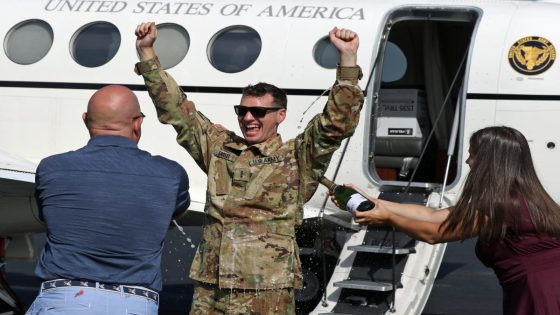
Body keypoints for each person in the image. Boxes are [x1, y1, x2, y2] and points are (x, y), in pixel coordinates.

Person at [134, 22, 364, 314]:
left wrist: (347, 61)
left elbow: (335, 125)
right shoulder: (220, 149)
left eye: (259, 112)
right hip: (211, 288)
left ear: (280, 115)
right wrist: (147, 54)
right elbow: (177, 110)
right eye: (242, 111)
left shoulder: (298, 156)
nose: (249, 118)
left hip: (266, 291)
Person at [332, 126, 560, 315]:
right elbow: (435, 215)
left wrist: (388, 217)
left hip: (540, 292)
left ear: (491, 162)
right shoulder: (518, 196)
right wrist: (377, 203)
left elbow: (436, 233)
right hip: (538, 287)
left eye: (473, 155)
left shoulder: (502, 205)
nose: (469, 162)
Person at [26, 85, 191, 315]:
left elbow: (48, 216)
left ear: (85, 120)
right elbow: (176, 212)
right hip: (135, 303)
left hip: (63, 299)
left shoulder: (51, 169)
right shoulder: (171, 174)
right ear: (137, 123)